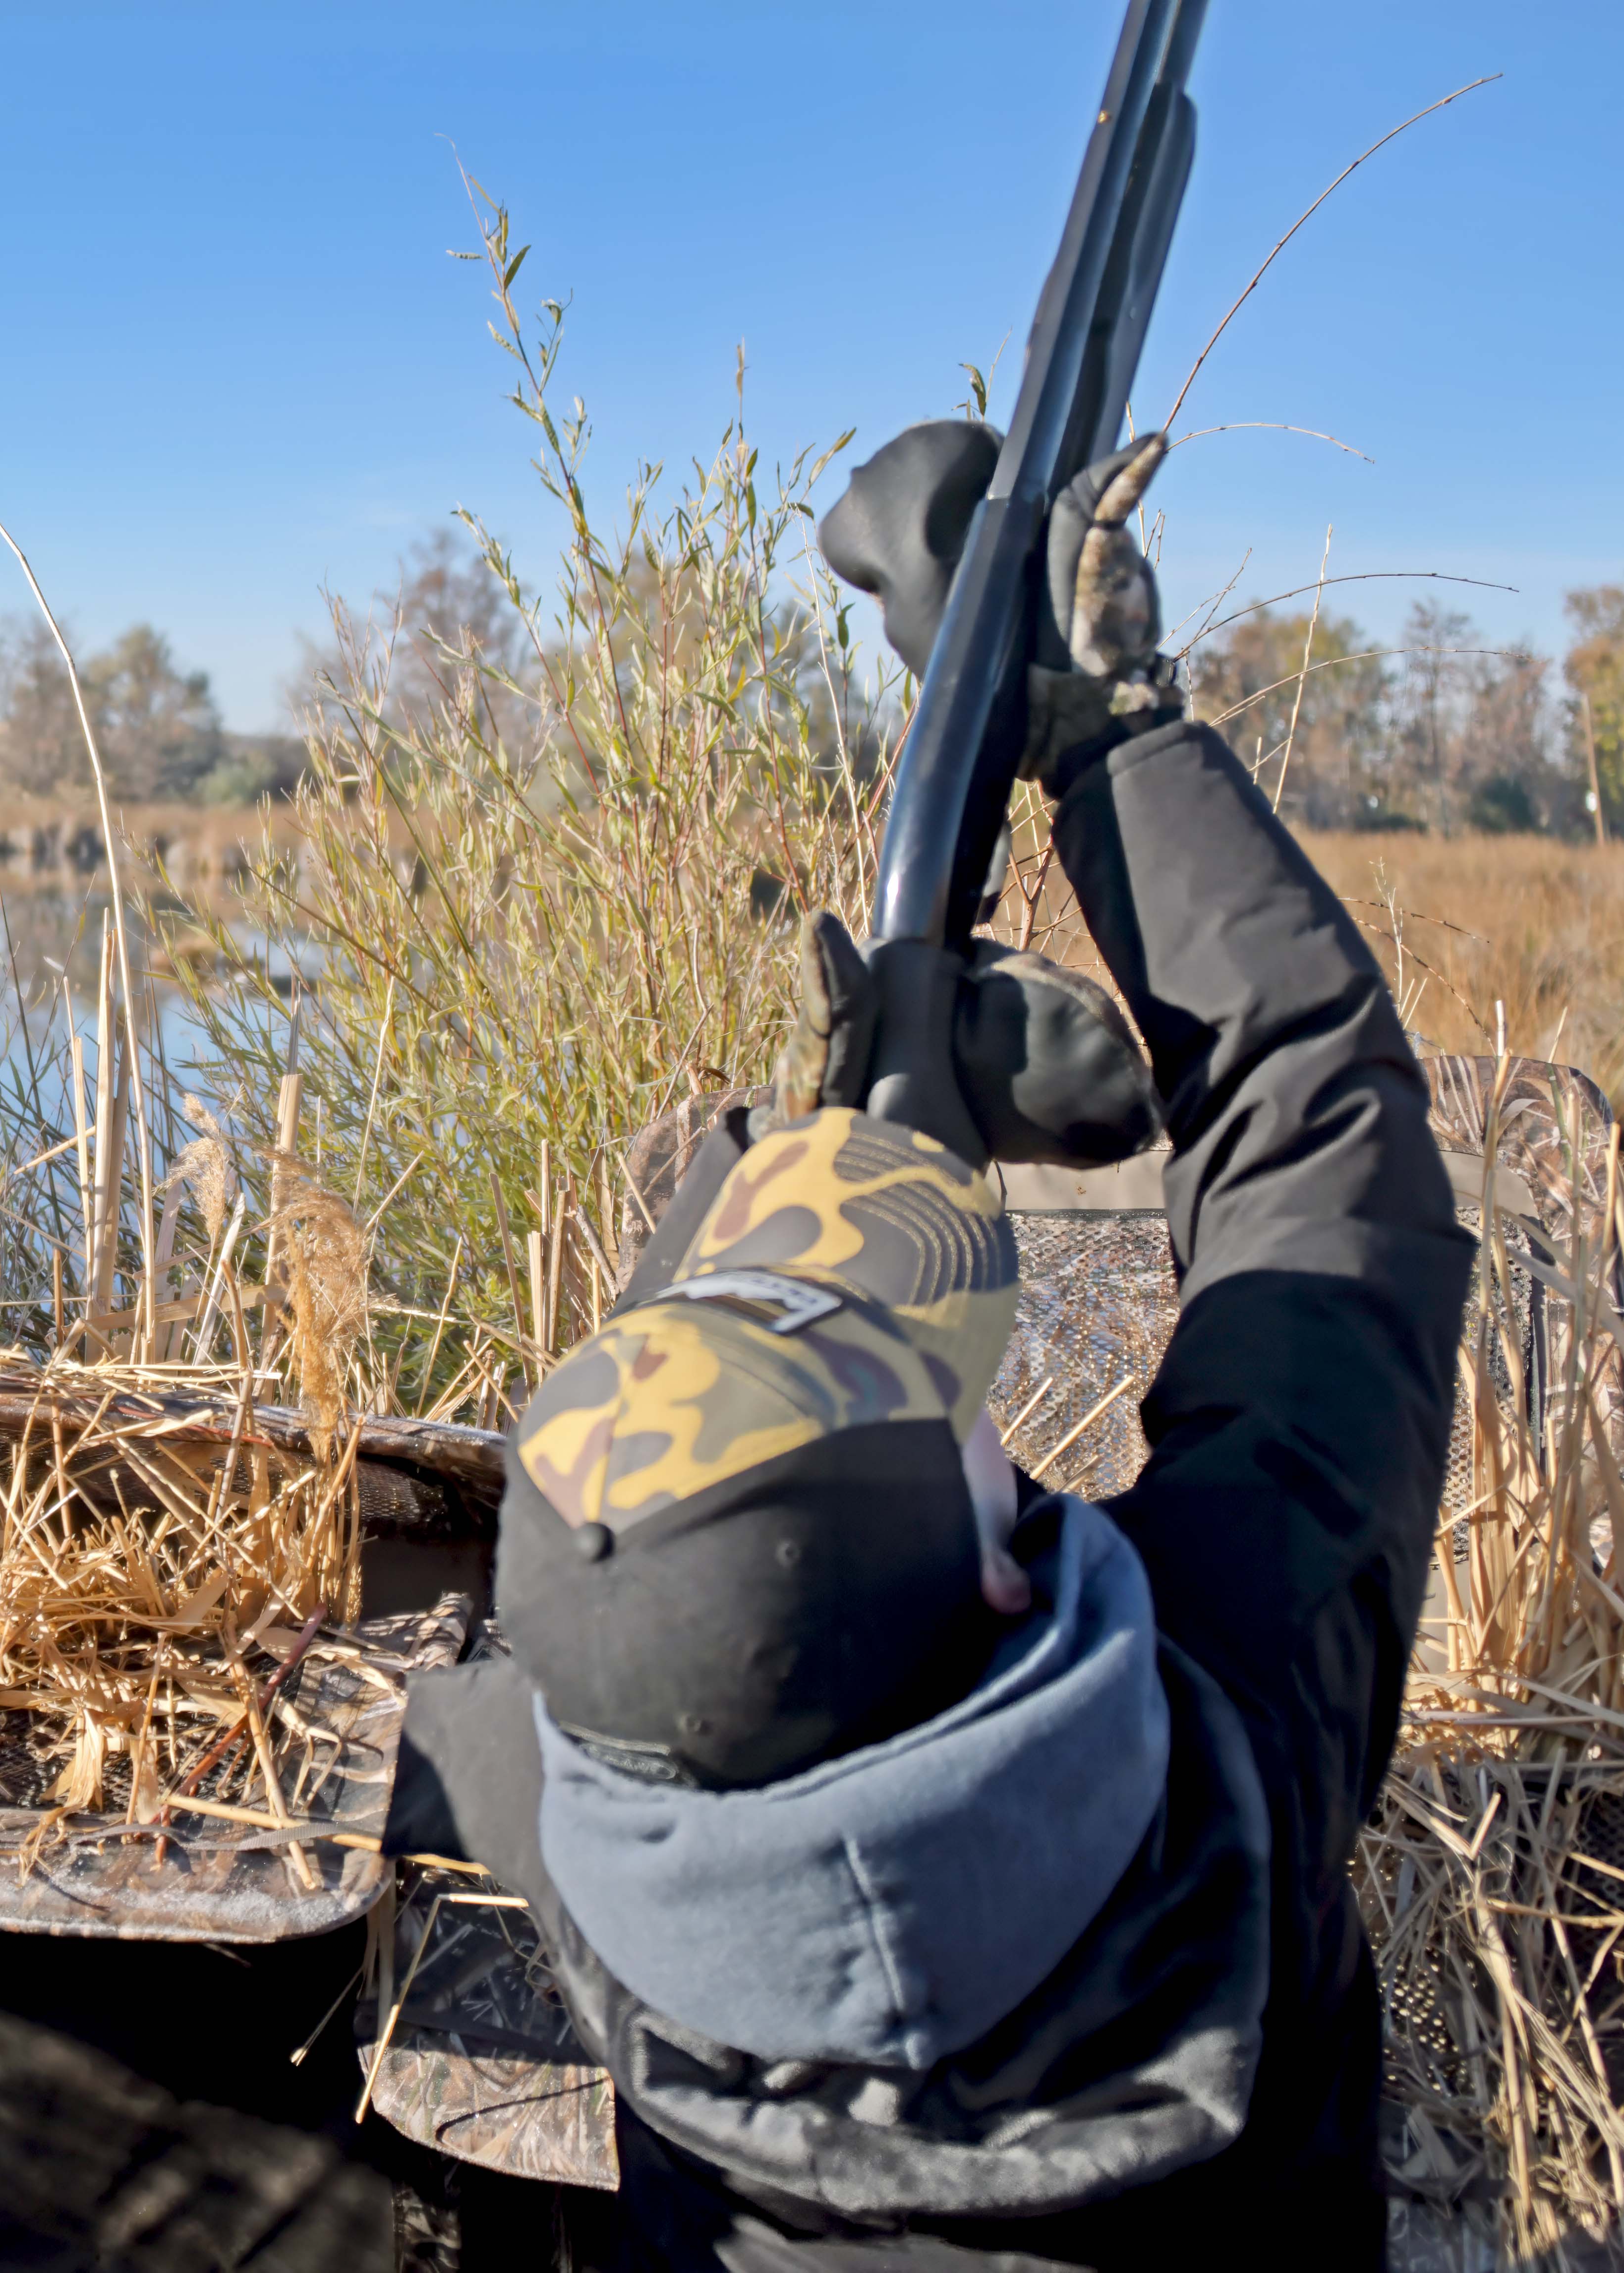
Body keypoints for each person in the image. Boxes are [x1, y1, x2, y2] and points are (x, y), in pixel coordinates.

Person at [389, 424, 1473, 2269]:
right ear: (988, 1572)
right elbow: (1316, 1145)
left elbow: (636, 1573)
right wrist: (1118, 741)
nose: (974, 1392)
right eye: (936, 1410)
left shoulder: (580, 1828)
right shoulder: (1237, 1738)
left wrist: (849, 1126)